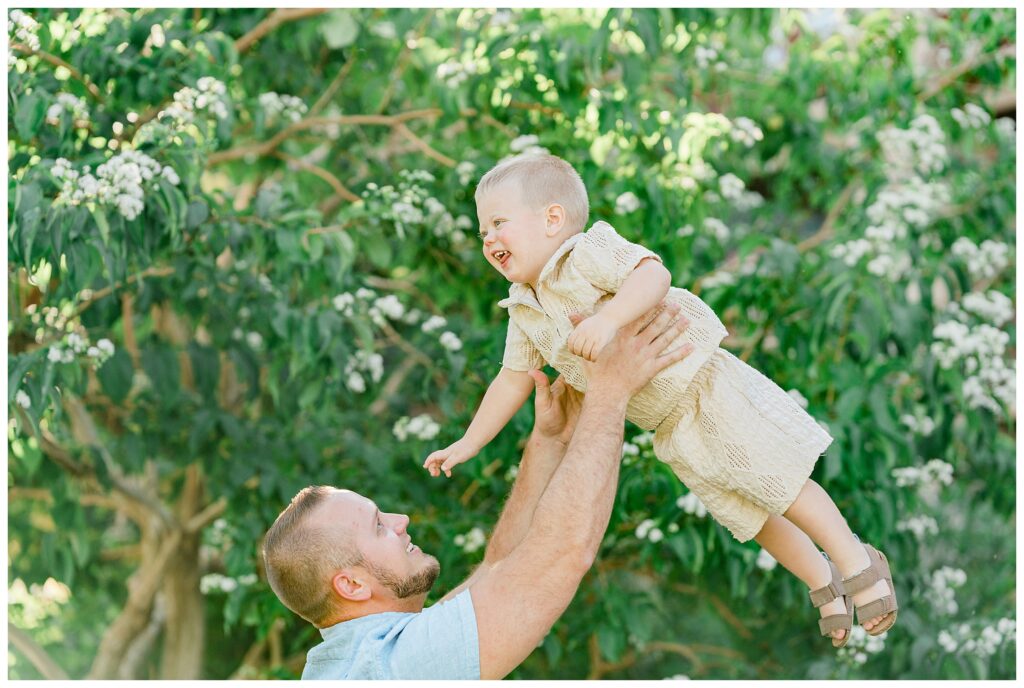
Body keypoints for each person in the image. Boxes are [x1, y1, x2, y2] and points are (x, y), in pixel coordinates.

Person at [423, 153, 898, 648]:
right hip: (668, 423)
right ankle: (821, 578)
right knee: (747, 513)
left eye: (498, 224)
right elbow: (512, 378)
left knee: (775, 479)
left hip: (701, 383)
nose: (489, 239)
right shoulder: (523, 307)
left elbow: (653, 275)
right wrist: (468, 443)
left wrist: (609, 321)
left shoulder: (585, 253)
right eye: (482, 232)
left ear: (552, 219)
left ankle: (856, 560)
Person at [263, 304, 697, 679]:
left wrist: (549, 442)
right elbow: (563, 552)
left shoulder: (371, 653)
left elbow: (497, 569)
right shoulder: (393, 668)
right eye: (379, 527)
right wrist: (611, 390)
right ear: (352, 585)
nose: (401, 522)